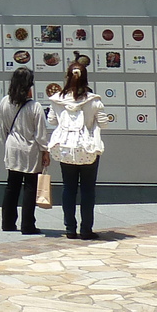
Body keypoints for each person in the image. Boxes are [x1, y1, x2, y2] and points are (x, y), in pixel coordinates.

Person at [47, 61, 106, 240]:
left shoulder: (57, 100)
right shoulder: (94, 101)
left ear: (68, 76)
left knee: (68, 188)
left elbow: (51, 121)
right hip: (88, 149)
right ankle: (86, 229)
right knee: (88, 190)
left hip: (66, 149)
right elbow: (104, 122)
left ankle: (70, 228)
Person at [0, 67, 48, 235]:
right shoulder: (35, 107)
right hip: (30, 150)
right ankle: (28, 225)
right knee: (30, 186)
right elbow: (41, 134)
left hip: (12, 146)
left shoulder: (5, 102)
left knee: (11, 186)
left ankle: (7, 222)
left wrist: (7, 143)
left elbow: (2, 129)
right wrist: (45, 151)